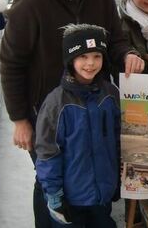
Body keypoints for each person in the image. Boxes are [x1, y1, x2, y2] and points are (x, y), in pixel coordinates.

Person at [0, 0, 143, 227]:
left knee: (90, 172)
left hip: (91, 107)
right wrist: (20, 119)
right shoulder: (32, 1)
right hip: (48, 115)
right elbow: (12, 62)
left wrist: (127, 54)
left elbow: (115, 40)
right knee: (51, 180)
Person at [35, 24, 120, 227]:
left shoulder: (110, 94)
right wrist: (54, 195)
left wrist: (117, 177)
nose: (90, 64)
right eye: (83, 57)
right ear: (71, 60)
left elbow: (118, 139)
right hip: (72, 198)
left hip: (102, 195)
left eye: (97, 56)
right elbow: (47, 152)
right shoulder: (57, 103)